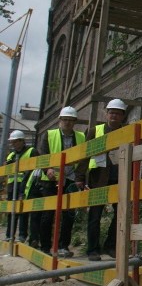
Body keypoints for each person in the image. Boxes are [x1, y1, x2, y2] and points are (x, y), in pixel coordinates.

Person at [31, 106, 87, 257]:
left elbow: (83, 159)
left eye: (70, 120)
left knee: (69, 215)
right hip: (51, 180)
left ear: (74, 121)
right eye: (65, 120)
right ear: (60, 121)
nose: (67, 123)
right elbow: (43, 155)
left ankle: (63, 246)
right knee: (48, 215)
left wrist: (79, 178)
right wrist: (47, 169)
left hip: (70, 180)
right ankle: (46, 247)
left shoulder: (81, 137)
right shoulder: (49, 134)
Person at [85, 98, 128, 261]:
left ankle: (111, 246)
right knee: (95, 215)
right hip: (98, 179)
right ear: (106, 114)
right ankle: (93, 250)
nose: (114, 116)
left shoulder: (127, 131)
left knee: (120, 214)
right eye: (111, 113)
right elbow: (84, 155)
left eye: (117, 113)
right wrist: (80, 178)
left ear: (123, 116)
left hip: (119, 178)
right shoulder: (94, 131)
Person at [4, 130, 37, 242]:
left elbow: (34, 168)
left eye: (14, 142)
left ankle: (22, 235)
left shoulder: (32, 152)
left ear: (21, 141)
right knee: (11, 211)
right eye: (12, 142)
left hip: (25, 185)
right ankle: (9, 235)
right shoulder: (11, 155)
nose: (12, 144)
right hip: (12, 187)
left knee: (23, 210)